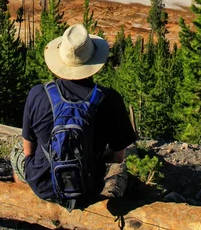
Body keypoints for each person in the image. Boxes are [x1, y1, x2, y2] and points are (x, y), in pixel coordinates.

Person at [11, 24, 136, 208]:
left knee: (17, 153)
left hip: (43, 186)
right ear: (94, 62)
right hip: (86, 189)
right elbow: (118, 157)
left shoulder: (38, 94)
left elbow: (28, 151)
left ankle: (24, 208)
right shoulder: (110, 99)